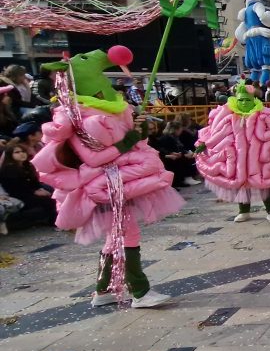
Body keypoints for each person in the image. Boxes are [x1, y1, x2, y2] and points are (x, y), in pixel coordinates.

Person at [32, 48, 184, 308]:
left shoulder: (106, 109)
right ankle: (140, 292)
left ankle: (102, 292)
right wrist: (128, 141)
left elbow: (130, 142)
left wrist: (139, 130)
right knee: (127, 233)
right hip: (105, 183)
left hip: (121, 178)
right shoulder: (77, 117)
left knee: (116, 235)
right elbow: (93, 158)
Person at [196, 81, 270, 224]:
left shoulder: (264, 115)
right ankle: (244, 211)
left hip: (259, 158)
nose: (243, 102)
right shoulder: (228, 115)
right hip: (238, 158)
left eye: (247, 100)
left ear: (254, 100)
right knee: (241, 184)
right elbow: (216, 133)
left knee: (265, 185)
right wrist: (204, 144)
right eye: (241, 99)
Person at [0, 139, 56, 225]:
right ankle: (54, 222)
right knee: (48, 201)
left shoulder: (27, 165)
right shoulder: (9, 169)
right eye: (17, 152)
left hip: (28, 192)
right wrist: (35, 192)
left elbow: (34, 181)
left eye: (23, 151)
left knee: (52, 193)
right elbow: (16, 188)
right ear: (10, 155)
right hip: (18, 196)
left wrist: (39, 189)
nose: (21, 154)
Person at [155, 121, 201, 188]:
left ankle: (186, 178)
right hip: (169, 157)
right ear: (176, 130)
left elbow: (179, 148)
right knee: (184, 159)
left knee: (189, 156)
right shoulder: (168, 138)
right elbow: (172, 150)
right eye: (180, 130)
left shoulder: (173, 136)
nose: (181, 132)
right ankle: (186, 178)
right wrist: (184, 154)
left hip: (173, 155)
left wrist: (185, 152)